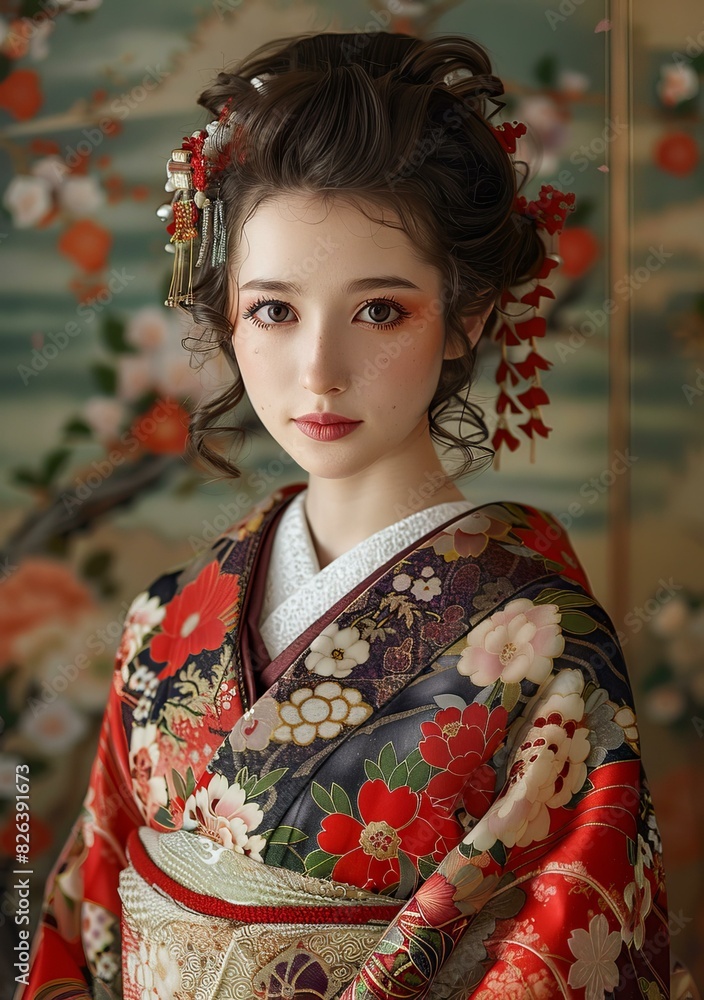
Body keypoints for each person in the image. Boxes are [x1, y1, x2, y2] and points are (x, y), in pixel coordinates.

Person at [17, 28, 691, 1000]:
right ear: (224, 314)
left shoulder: (544, 651)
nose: (317, 372)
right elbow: (82, 925)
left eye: (378, 310)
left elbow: (561, 958)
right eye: (273, 311)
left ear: (465, 315)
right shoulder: (165, 624)